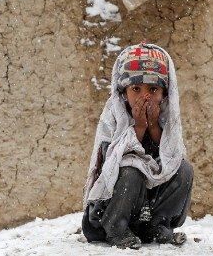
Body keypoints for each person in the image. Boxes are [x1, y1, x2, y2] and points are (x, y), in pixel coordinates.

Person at [82, 42, 194, 249]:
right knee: (131, 169)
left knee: (184, 169)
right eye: (136, 89)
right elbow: (109, 164)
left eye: (153, 89)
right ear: (123, 91)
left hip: (148, 207)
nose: (145, 96)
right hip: (112, 207)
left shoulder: (167, 117)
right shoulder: (113, 116)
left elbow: (171, 157)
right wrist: (139, 127)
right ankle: (116, 229)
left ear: (164, 93)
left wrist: (153, 127)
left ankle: (157, 226)